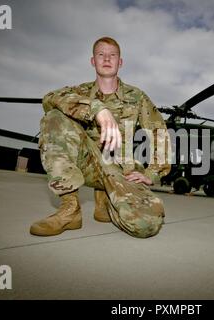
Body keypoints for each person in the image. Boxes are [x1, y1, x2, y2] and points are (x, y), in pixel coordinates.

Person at [30, 37, 171, 238]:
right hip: (86, 162)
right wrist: (97, 109)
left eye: (112, 55)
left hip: (120, 168)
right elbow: (49, 99)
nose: (106, 59)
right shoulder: (80, 92)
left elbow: (159, 132)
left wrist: (152, 173)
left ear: (120, 62)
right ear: (92, 61)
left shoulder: (136, 96)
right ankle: (70, 209)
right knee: (54, 117)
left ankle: (106, 197)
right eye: (101, 54)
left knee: (145, 224)